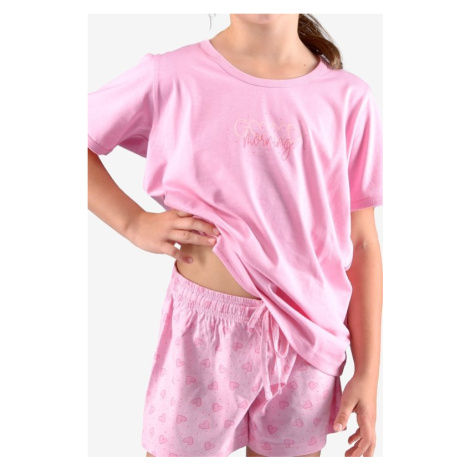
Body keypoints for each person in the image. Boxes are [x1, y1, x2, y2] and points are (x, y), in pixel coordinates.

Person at [88, 13, 383, 458]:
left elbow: (362, 242)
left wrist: (369, 372)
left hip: (308, 344)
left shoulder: (349, 97)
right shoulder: (172, 75)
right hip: (203, 337)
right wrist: (132, 223)